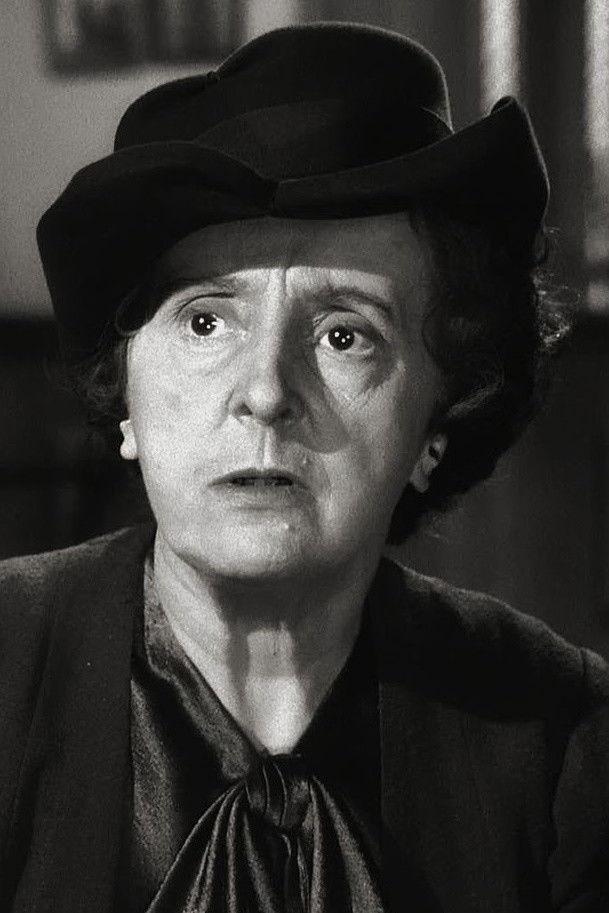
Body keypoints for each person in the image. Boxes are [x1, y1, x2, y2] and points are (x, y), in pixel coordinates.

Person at [1, 21, 607, 913]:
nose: (264, 391)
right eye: (206, 320)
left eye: (344, 334)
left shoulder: (565, 739)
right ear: (124, 394)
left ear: (437, 420)